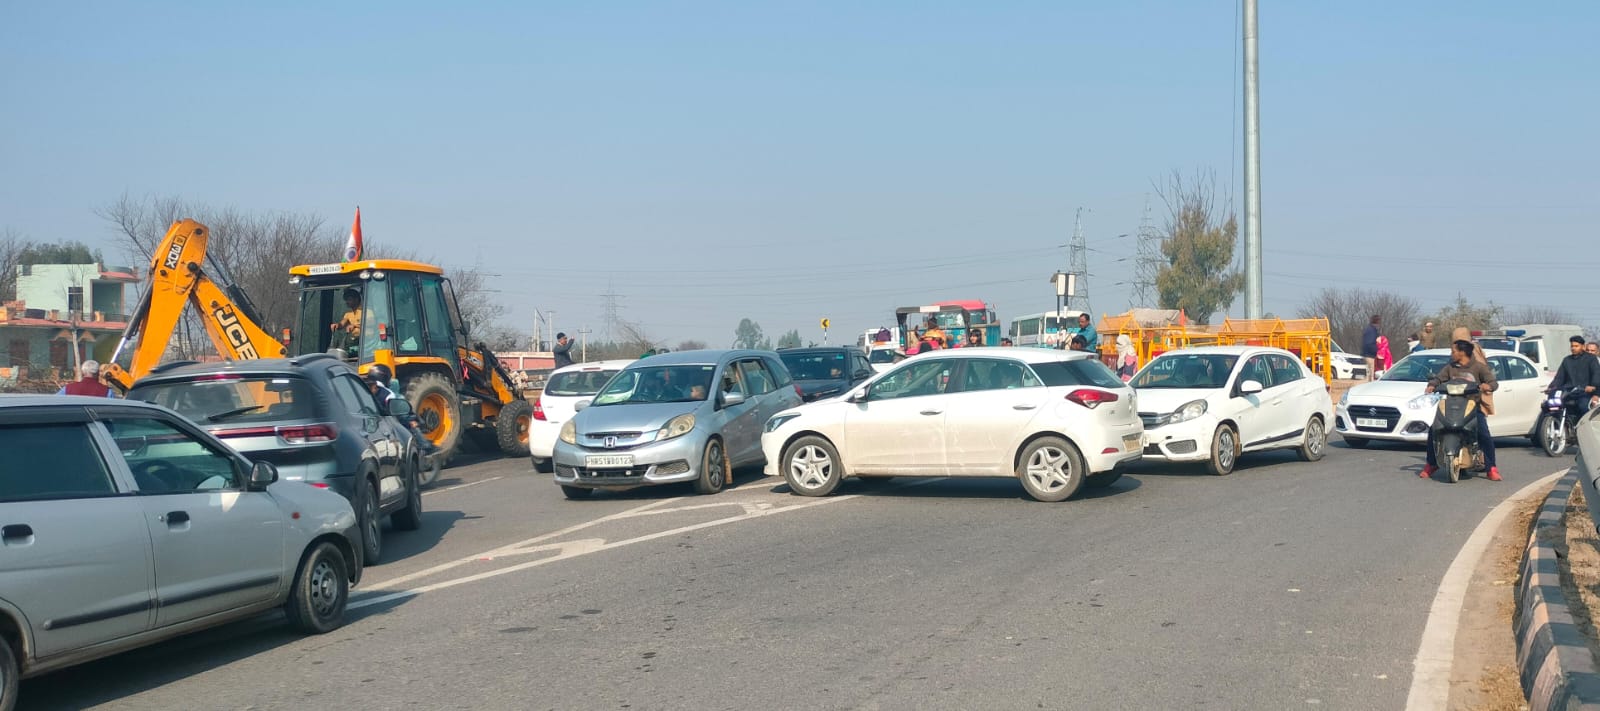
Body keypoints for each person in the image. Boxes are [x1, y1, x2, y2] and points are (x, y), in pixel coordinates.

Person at [1421, 340, 1499, 481]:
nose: (1452, 354)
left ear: (1462, 352)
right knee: (1434, 430)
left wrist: (1488, 386)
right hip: (1450, 405)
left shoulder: (1479, 367)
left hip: (1472, 406)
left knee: (1484, 434)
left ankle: (1491, 468)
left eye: (1454, 351)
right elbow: (1438, 379)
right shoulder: (1450, 368)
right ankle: (1431, 464)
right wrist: (1432, 385)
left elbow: (1493, 382)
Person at [364, 364, 438, 454]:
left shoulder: (361, 388)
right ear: (385, 377)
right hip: (384, 423)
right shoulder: (387, 393)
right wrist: (413, 418)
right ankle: (424, 445)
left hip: (367, 422)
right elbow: (398, 413)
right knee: (411, 423)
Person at [1547, 336, 1599, 416]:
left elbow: (1596, 374)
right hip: (1569, 392)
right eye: (1572, 346)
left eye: (1576, 346)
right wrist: (1552, 387)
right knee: (1552, 405)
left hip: (1584, 393)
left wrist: (1593, 387)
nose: (1573, 348)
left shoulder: (1591, 359)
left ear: (1583, 346)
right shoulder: (1567, 360)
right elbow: (1560, 377)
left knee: (1583, 406)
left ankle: (1582, 427)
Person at [1361, 315, 1381, 381]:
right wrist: (1376, 351)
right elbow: (1369, 343)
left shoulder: (1369, 329)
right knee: (1370, 374)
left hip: (1367, 353)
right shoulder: (1372, 330)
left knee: (1370, 373)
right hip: (1369, 354)